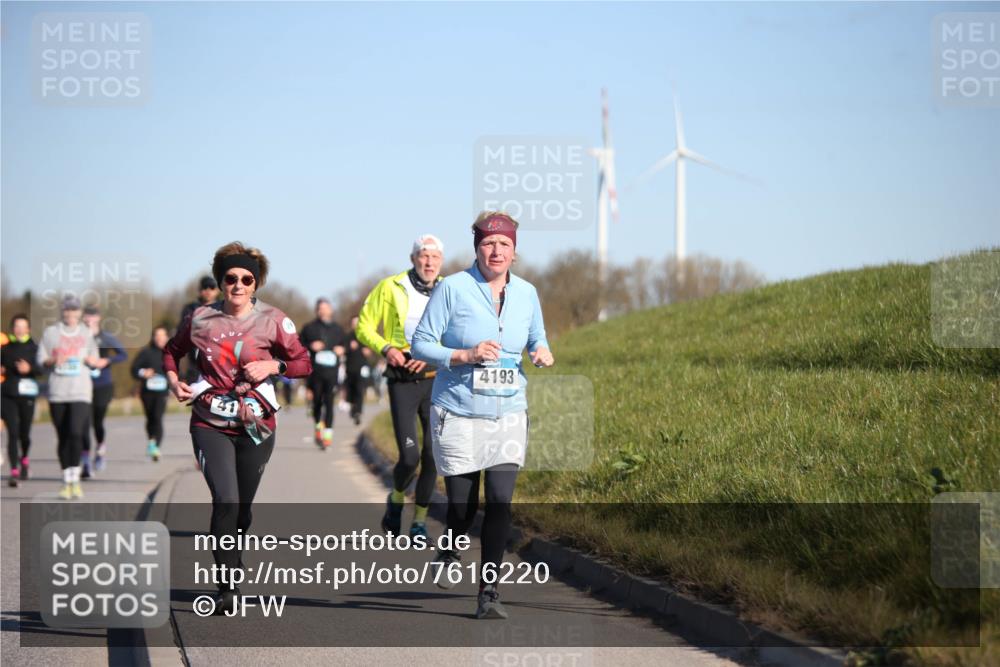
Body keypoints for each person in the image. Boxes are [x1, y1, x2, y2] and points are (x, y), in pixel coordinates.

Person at [412, 212, 554, 619]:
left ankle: (489, 591)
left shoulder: (527, 293)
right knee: (461, 507)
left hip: (508, 409)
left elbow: (536, 335)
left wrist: (539, 351)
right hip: (458, 410)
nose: (496, 251)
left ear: (514, 250)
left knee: (500, 501)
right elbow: (421, 344)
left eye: (504, 244)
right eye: (489, 243)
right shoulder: (453, 289)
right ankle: (451, 544)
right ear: (477, 247)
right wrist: (464, 355)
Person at [162, 242, 311, 614]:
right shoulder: (199, 318)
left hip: (256, 424)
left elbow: (303, 363)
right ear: (221, 282)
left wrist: (273, 367)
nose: (239, 285)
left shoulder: (275, 320)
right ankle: (226, 584)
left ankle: (233, 550)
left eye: (247, 279)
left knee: (242, 509)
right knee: (225, 500)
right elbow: (171, 350)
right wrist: (172, 378)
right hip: (209, 421)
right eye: (231, 278)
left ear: (256, 283)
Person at [357, 234, 444, 539]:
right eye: (423, 255)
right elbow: (364, 326)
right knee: (410, 457)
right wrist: (386, 349)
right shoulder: (391, 286)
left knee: (434, 455)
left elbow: (460, 333)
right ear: (413, 259)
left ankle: (419, 523)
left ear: (441, 261)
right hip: (402, 381)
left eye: (434, 257)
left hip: (436, 381)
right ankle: (395, 498)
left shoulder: (450, 290)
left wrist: (434, 355)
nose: (429, 262)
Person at [36, 296, 101, 500]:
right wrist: (53, 359)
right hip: (57, 392)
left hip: (81, 391)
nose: (71, 314)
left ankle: (75, 477)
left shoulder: (86, 333)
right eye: (67, 310)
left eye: (74, 310)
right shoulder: (51, 333)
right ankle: (67, 479)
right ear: (62, 312)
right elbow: (40, 361)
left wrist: (92, 360)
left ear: (79, 313)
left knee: (75, 432)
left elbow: (96, 359)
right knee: (63, 436)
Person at [81, 306, 127, 477]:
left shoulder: (106, 337)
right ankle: (85, 461)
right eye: (86, 318)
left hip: (103, 385)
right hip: (82, 386)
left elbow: (123, 355)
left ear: (98, 318)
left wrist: (105, 360)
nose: (88, 320)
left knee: (97, 422)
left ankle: (100, 449)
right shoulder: (78, 338)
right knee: (83, 423)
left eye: (92, 317)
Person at [299, 299, 346, 448]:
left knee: (330, 402)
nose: (323, 311)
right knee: (317, 401)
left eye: (326, 308)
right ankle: (318, 426)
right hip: (315, 372)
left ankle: (328, 435)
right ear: (316, 310)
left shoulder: (338, 329)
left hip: (332, 372)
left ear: (331, 310)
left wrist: (342, 349)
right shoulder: (309, 328)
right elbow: (298, 345)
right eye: (320, 308)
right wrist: (310, 346)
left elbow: (345, 345)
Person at [1, 315, 40, 487]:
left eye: (22, 326)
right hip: (7, 394)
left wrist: (29, 368)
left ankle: (24, 458)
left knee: (24, 434)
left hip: (27, 395)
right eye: (16, 326)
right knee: (13, 433)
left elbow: (42, 368)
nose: (19, 329)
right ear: (12, 328)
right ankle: (14, 471)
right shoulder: (5, 348)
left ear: (28, 329)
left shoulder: (34, 348)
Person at [131, 326, 170, 461]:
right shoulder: (146, 353)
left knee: (158, 417)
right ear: (153, 338)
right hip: (147, 392)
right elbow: (134, 369)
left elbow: (178, 371)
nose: (160, 338)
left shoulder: (171, 353)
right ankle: (151, 440)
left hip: (162, 392)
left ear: (167, 337)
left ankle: (155, 446)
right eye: (157, 336)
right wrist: (144, 373)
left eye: (162, 335)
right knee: (150, 418)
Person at [178, 276, 220, 385]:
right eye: (204, 287)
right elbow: (182, 332)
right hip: (195, 361)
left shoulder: (224, 307)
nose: (208, 291)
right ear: (199, 290)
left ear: (217, 290)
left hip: (219, 360)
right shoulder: (190, 308)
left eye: (211, 287)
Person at [343, 316, 372, 426]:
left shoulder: (364, 336)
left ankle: (358, 412)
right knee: (351, 391)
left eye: (357, 323)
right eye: (354, 323)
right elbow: (342, 350)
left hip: (361, 368)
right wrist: (348, 348)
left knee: (360, 390)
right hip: (350, 369)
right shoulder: (347, 337)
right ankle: (353, 408)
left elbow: (370, 351)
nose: (355, 325)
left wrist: (365, 351)